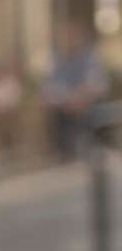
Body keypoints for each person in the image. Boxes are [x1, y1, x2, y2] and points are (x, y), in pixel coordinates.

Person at [44, 19, 108, 160]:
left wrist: (79, 97)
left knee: (89, 110)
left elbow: (96, 84)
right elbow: (51, 87)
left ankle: (93, 150)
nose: (68, 41)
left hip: (88, 102)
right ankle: (64, 153)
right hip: (66, 105)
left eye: (71, 37)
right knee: (56, 112)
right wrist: (65, 100)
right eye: (65, 38)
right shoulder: (59, 61)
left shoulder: (90, 58)